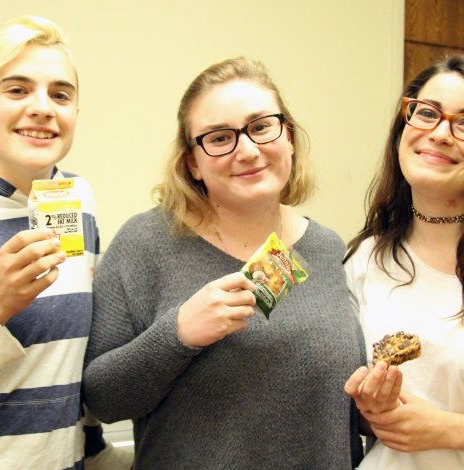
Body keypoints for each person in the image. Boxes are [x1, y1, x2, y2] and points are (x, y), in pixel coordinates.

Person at [83, 56, 365, 469]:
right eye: (219, 138)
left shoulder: (326, 247)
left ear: (288, 135)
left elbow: (335, 406)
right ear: (192, 162)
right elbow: (102, 399)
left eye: (261, 127)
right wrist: (179, 334)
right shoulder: (145, 244)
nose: (248, 151)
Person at [0, 15, 132, 469]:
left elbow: (73, 358)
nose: (42, 107)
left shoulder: (79, 197)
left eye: (60, 94)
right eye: (16, 90)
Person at [343, 55, 464, 469]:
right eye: (427, 113)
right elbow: (351, 419)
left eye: (463, 123)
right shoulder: (363, 260)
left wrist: (449, 430)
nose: (441, 133)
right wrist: (371, 408)